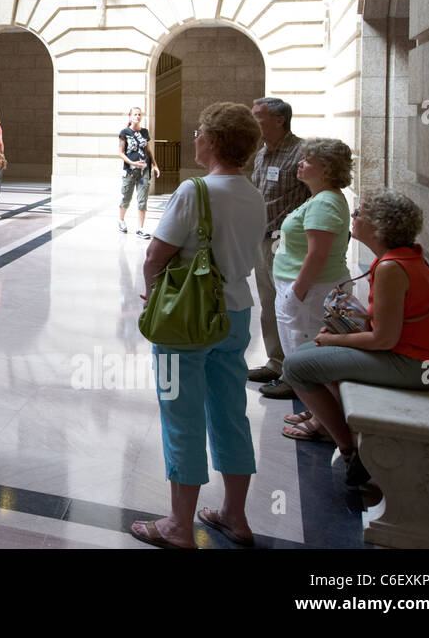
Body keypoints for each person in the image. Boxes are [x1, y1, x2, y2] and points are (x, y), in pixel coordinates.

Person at [131, 103, 266, 549]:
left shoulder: (195, 191)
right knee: (230, 412)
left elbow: (156, 255)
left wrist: (153, 299)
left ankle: (178, 525)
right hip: (236, 314)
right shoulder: (253, 192)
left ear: (211, 141)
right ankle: (234, 515)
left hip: (186, 322)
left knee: (180, 415)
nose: (194, 138)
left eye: (198, 132)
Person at [282, 189, 429, 486]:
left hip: (422, 366)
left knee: (295, 367)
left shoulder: (391, 267)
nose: (353, 216)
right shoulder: (401, 258)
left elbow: (383, 341)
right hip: (422, 357)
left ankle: (348, 448)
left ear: (379, 226)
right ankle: (338, 430)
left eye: (359, 213)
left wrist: (335, 341)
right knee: (311, 350)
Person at [273, 139, 353, 434]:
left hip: (311, 292)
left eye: (308, 160)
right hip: (308, 291)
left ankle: (325, 425)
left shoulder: (325, 201)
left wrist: (296, 293)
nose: (300, 164)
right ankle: (318, 414)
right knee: (305, 355)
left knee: (307, 360)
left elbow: (317, 255)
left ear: (328, 169)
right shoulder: (320, 197)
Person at [248, 97, 308, 399]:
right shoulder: (261, 155)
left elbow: (315, 197)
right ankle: (276, 362)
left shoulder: (302, 153)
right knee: (269, 303)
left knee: (290, 307)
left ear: (279, 120)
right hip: (262, 239)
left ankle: (296, 373)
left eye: (257, 116)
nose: (252, 120)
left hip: (287, 243)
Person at [119, 107, 160, 238]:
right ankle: (121, 220)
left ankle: (140, 228)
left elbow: (148, 150)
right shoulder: (124, 132)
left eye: (139, 115)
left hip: (143, 173)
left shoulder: (144, 132)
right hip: (130, 173)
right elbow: (120, 153)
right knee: (126, 197)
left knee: (142, 200)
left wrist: (155, 165)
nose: (137, 117)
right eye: (135, 115)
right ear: (130, 117)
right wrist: (132, 163)